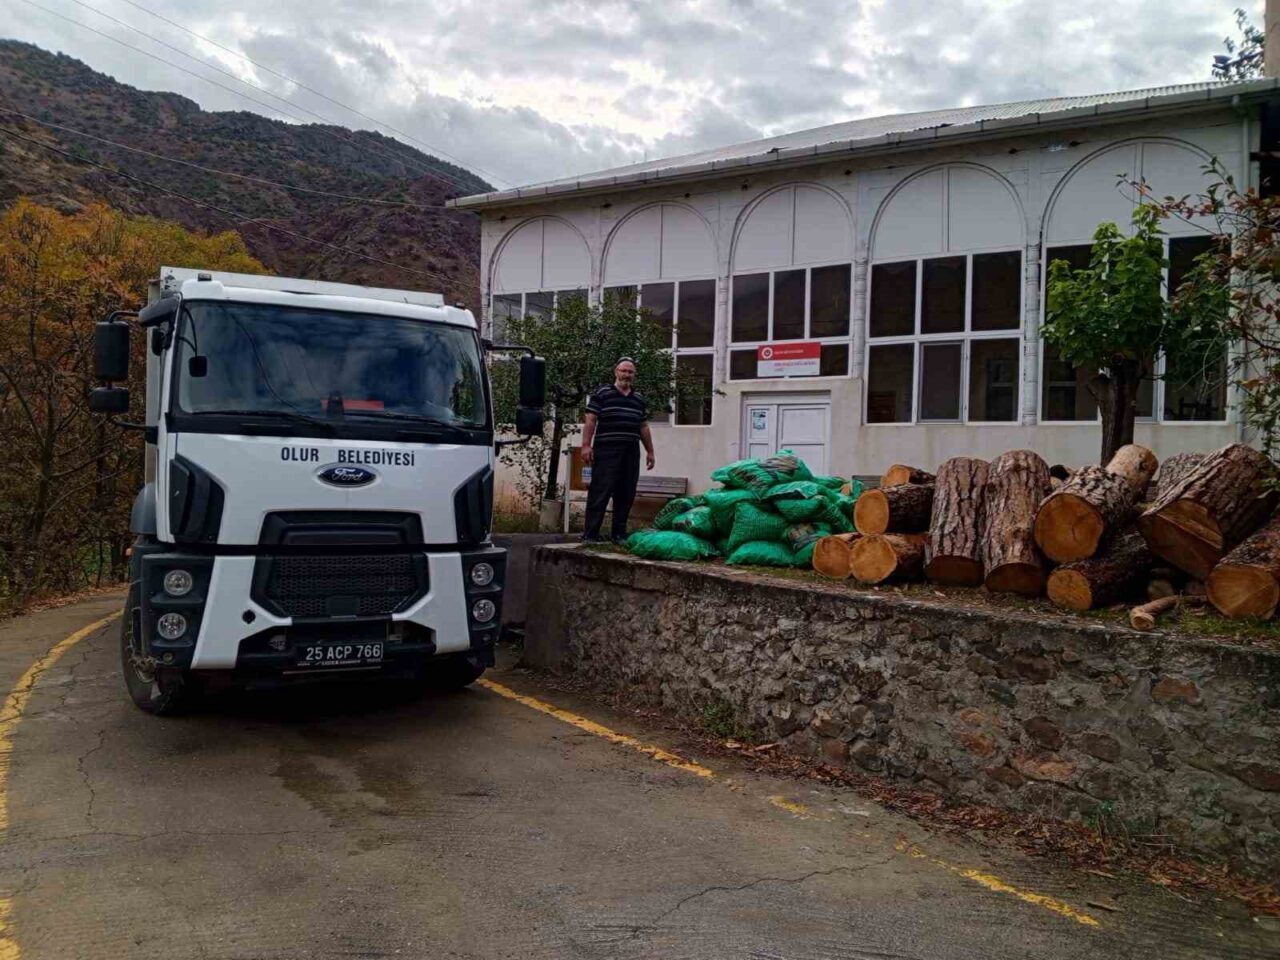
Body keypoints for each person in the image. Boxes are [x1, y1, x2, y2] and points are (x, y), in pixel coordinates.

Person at [581, 357, 656, 543]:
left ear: (634, 375)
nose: (627, 375)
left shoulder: (639, 399)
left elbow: (643, 426)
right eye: (624, 371)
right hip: (606, 450)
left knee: (626, 493)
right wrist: (586, 445)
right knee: (600, 491)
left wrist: (650, 451)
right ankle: (590, 534)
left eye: (630, 372)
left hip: (630, 451)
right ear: (616, 372)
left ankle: (619, 534)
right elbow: (590, 420)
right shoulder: (602, 393)